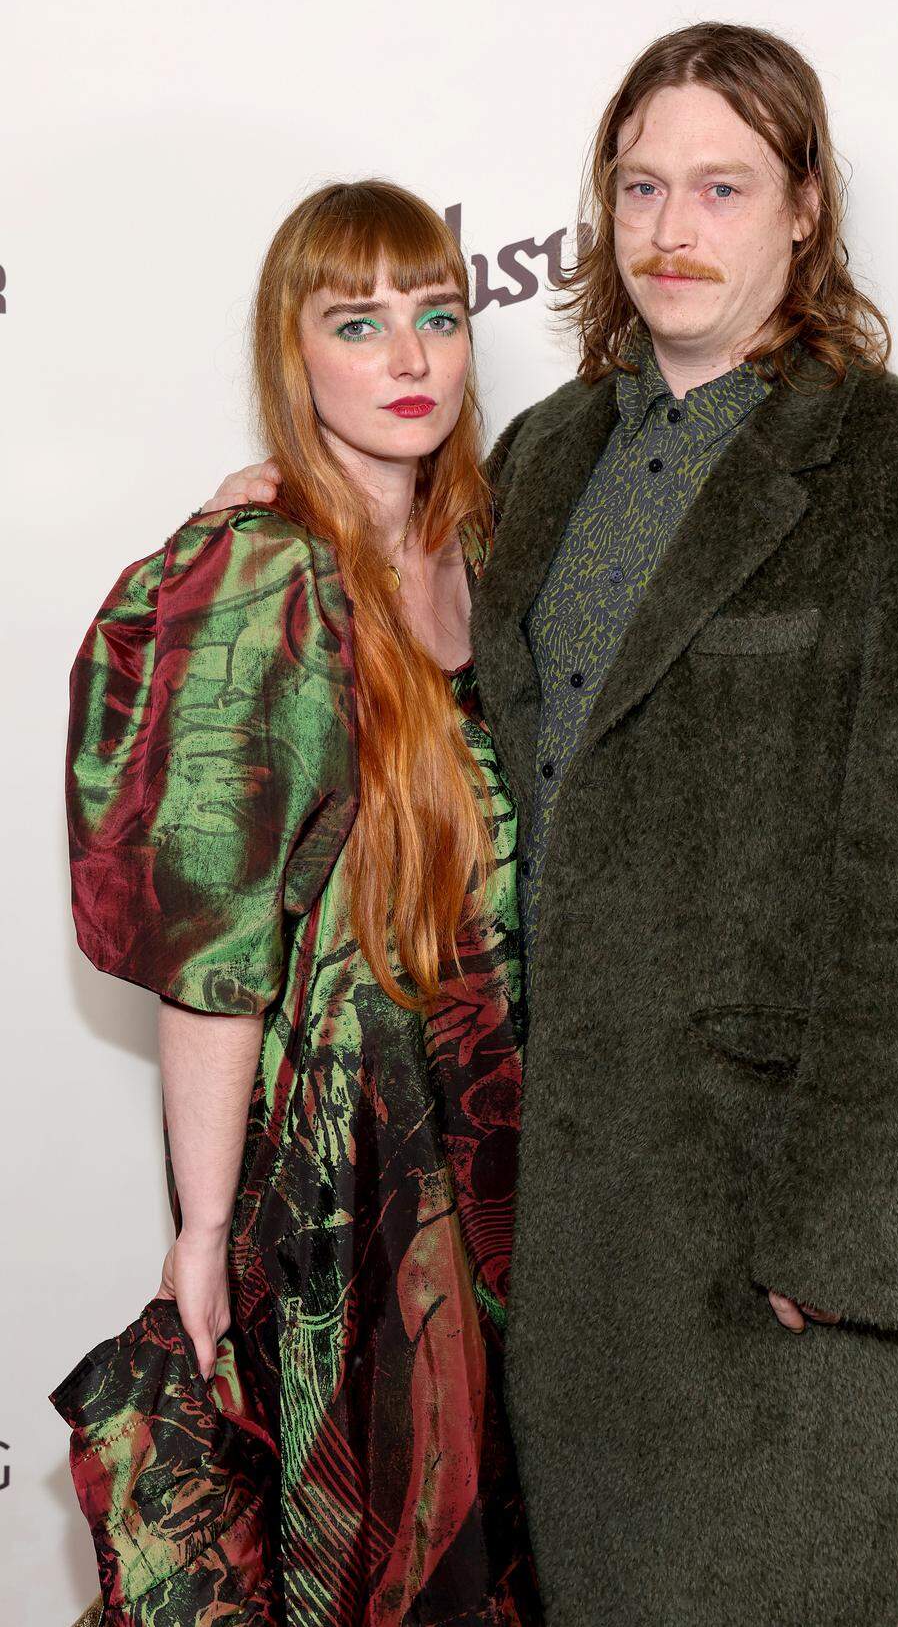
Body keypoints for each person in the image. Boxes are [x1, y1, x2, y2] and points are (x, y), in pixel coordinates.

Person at [203, 25, 898, 1627]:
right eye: (642, 182)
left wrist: (842, 1229)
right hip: (526, 1220)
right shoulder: (548, 451)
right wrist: (290, 504)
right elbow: (421, 681)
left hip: (762, 1234)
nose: (674, 224)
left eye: (722, 185)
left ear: (803, 209)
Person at [65, 179, 543, 1624]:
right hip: (350, 1176)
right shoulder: (266, 567)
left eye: (435, 316)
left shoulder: (488, 550)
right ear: (297, 353)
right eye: (360, 322)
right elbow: (214, 955)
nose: (408, 359)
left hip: (506, 1141)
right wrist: (204, 1229)